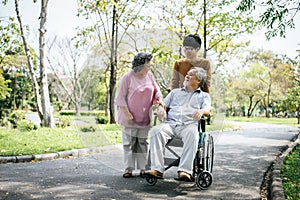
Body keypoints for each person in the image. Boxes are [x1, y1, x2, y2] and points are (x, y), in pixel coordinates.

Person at [144, 67, 211, 181]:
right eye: (187, 74)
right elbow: (163, 104)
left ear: (198, 81)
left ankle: (184, 171)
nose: (187, 76)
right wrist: (161, 108)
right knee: (156, 131)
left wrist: (201, 111)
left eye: (190, 75)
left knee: (192, 133)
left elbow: (207, 110)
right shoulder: (175, 93)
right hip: (170, 124)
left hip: (188, 125)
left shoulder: (204, 96)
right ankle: (157, 170)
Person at [115, 52, 165, 178]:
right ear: (141, 65)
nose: (150, 67)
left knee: (142, 143)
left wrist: (159, 99)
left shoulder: (149, 76)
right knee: (129, 143)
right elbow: (120, 97)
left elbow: (156, 90)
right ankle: (128, 169)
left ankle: (143, 169)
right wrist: (127, 114)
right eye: (148, 65)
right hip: (129, 117)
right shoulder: (128, 77)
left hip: (144, 117)